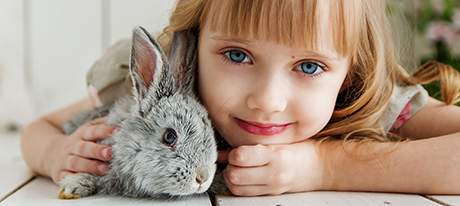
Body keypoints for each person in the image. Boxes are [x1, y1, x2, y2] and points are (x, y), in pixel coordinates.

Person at [21, 0, 460, 197]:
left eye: (309, 66)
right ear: (193, 43)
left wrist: (324, 166)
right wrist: (58, 151)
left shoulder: (365, 98)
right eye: (237, 55)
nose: (268, 101)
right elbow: (38, 130)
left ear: (350, 71)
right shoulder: (162, 91)